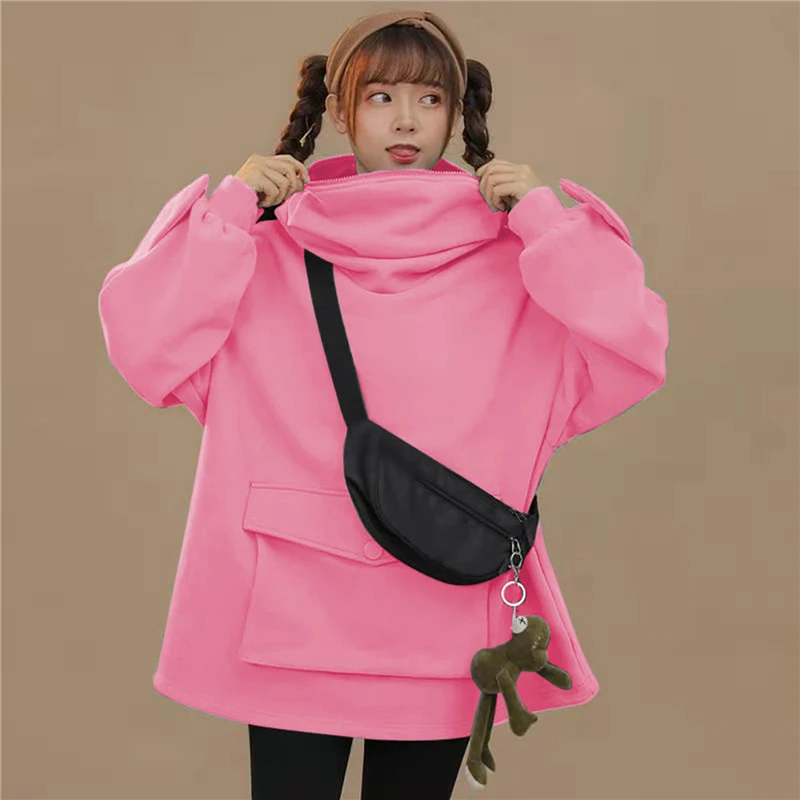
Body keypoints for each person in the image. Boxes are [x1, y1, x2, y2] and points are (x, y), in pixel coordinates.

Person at [97, 9, 669, 800]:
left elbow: (632, 344)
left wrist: (546, 221)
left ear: (457, 114)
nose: (406, 120)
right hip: (308, 609)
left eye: (430, 99)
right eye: (381, 97)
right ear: (341, 110)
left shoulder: (518, 263)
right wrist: (228, 211)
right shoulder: (259, 251)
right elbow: (145, 345)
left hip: (424, 600)